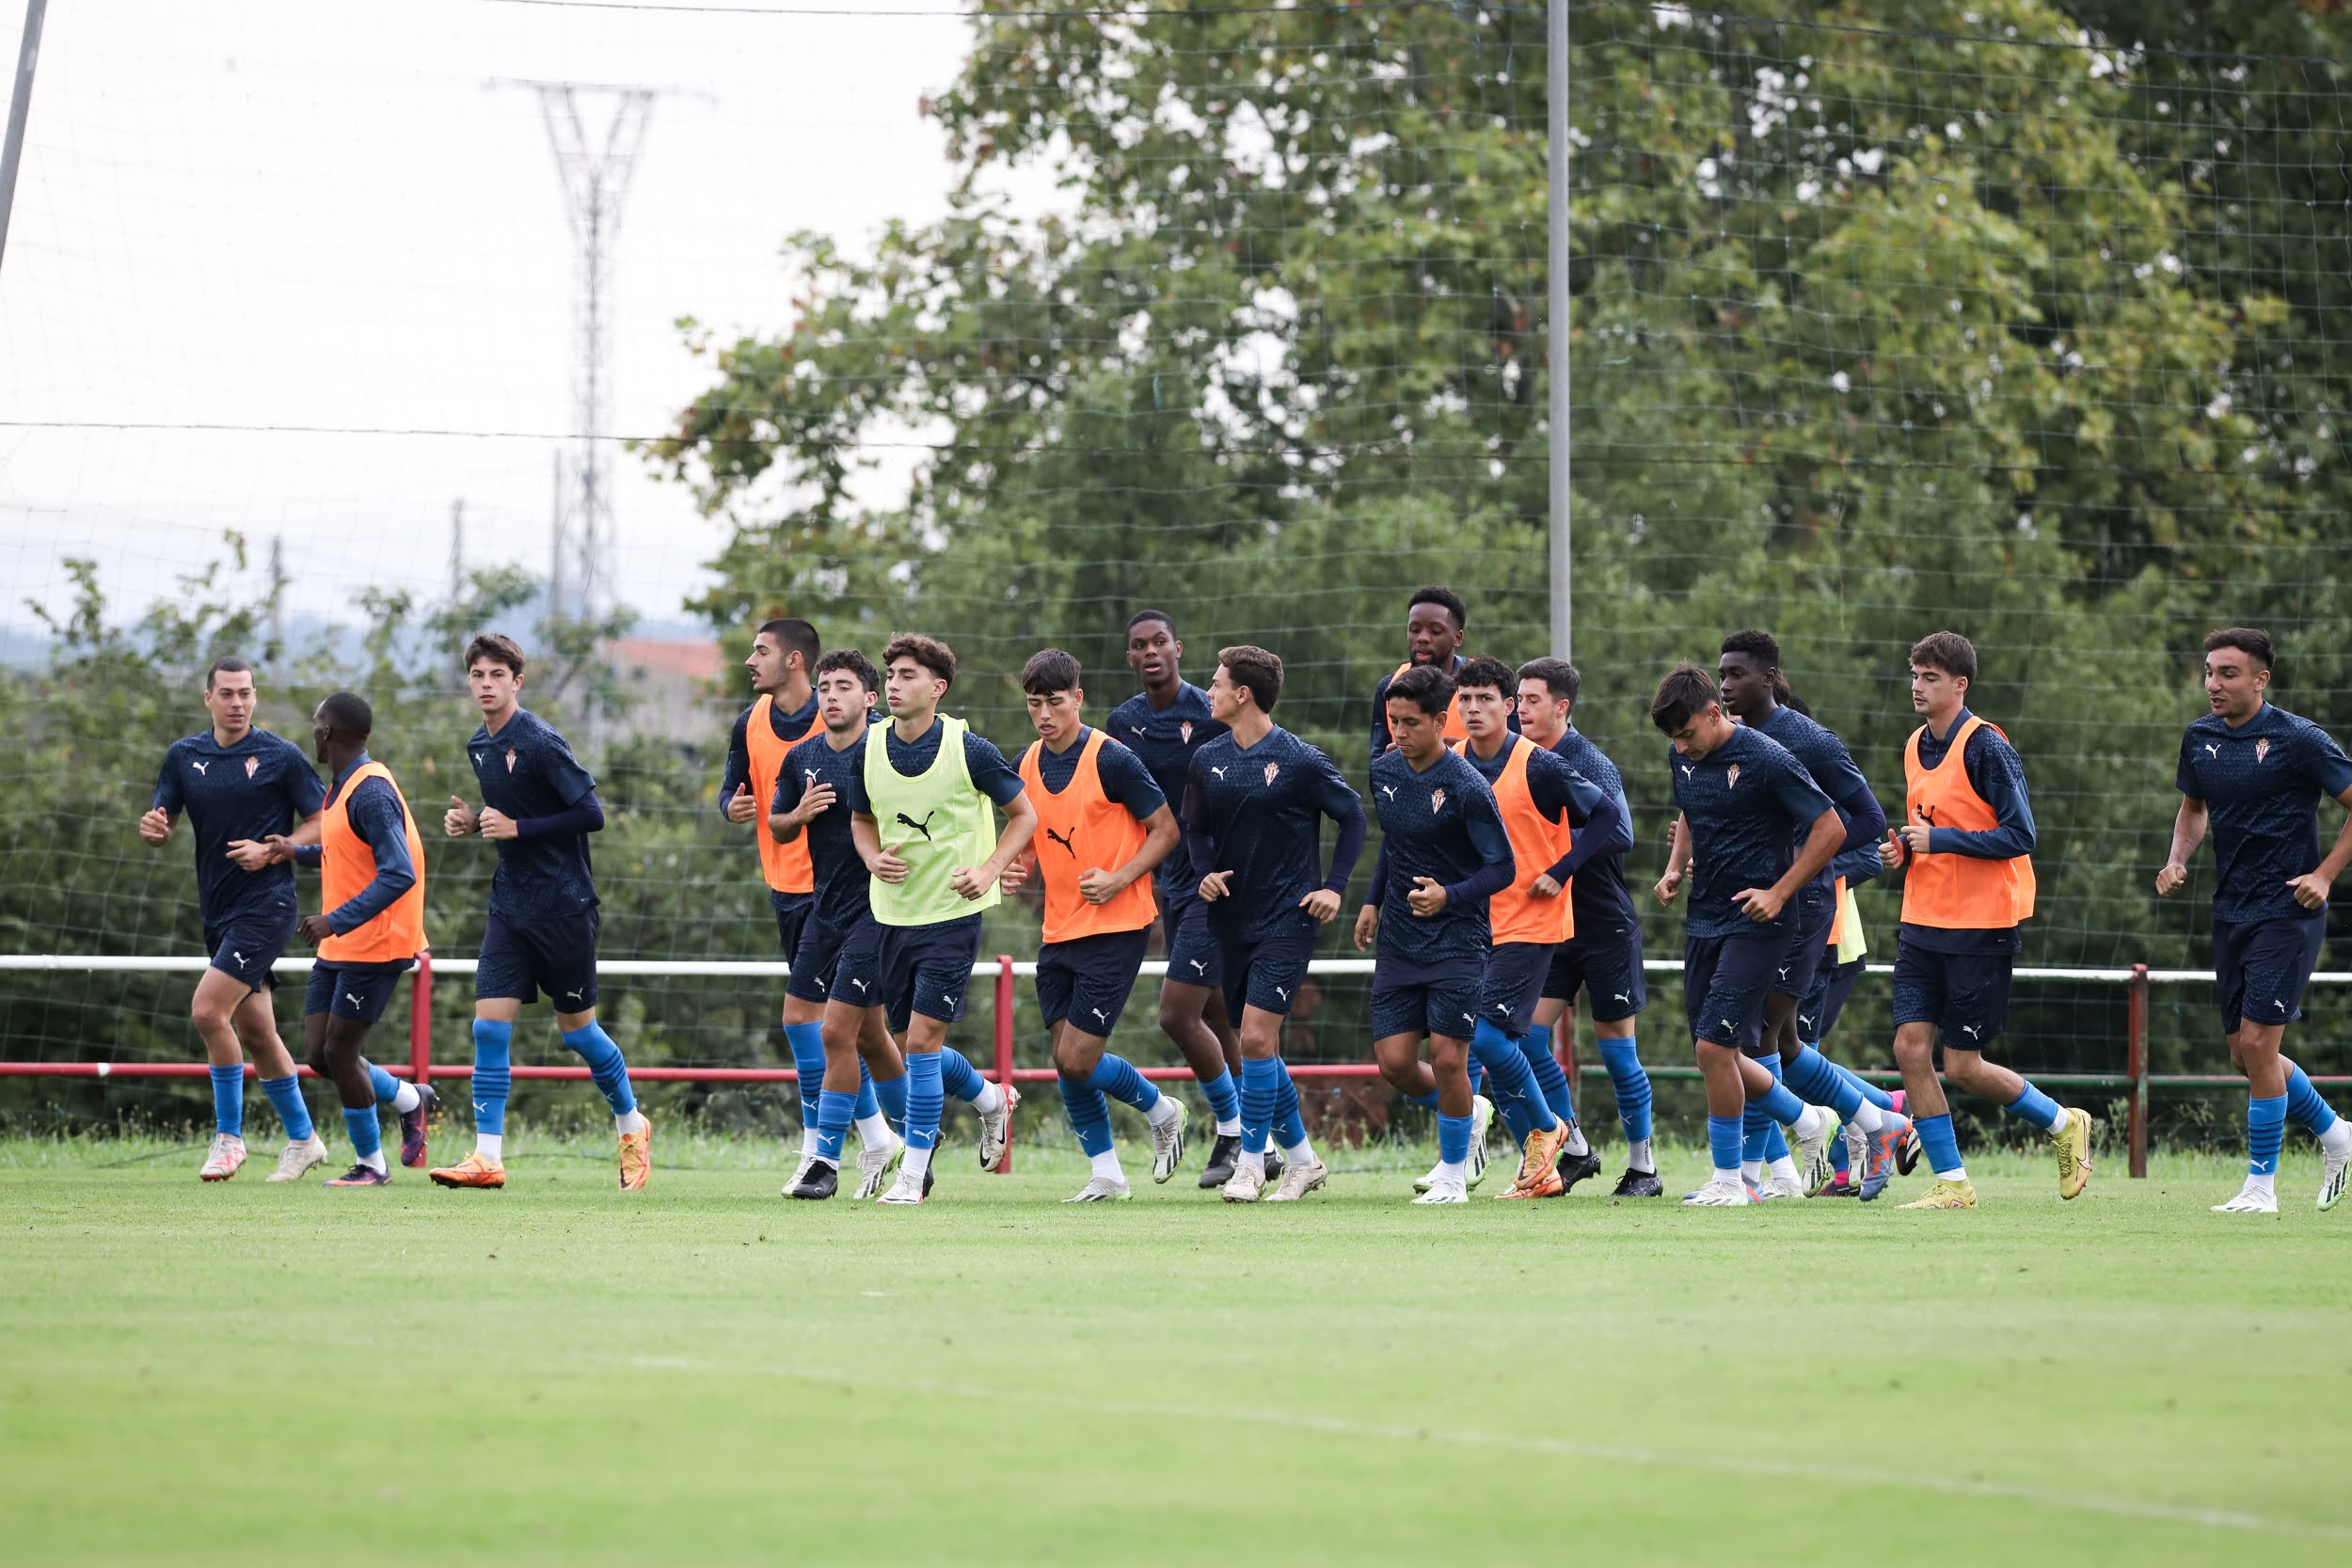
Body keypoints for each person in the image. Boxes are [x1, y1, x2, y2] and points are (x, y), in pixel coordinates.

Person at [1877, 631, 2092, 1211]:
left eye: (1931, 677)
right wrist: (1907, 850)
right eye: (1915, 674)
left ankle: (2062, 1122)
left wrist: (1938, 838)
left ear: (1960, 684)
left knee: (1964, 1066)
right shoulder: (1912, 745)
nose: (1918, 686)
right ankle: (1953, 1183)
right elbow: (1929, 826)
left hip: (1982, 925)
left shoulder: (1986, 746)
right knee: (1909, 1048)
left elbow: (2021, 835)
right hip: (1923, 921)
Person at [430, 634, 650, 1192]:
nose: (485, 684)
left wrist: (515, 828)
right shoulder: (479, 745)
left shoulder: (541, 741)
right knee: (488, 1027)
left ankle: (631, 1125)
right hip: (510, 907)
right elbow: (510, 815)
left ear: (516, 681)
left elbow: (591, 814)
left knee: (578, 1034)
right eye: (477, 675)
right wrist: (475, 820)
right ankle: (487, 1157)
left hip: (564, 908)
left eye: (496, 675)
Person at [2158, 627, 2352, 1214]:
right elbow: (2194, 809)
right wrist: (2176, 858)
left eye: (2229, 674)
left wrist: (2324, 876)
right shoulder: (2200, 737)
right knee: (2244, 1055)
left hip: (2290, 909)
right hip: (2231, 908)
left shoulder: (2299, 739)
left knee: (2259, 1044)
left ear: (2261, 679)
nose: (2214, 684)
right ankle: (2338, 1135)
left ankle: (2261, 1187)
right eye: (2210, 672)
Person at [842, 634, 1036, 1205]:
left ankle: (913, 1176)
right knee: (907, 1047)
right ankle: (991, 1100)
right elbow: (860, 822)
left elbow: (1024, 815)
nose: (895, 686)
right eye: (892, 675)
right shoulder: (868, 748)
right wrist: (872, 856)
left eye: (907, 676)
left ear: (937, 688)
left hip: (952, 915)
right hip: (892, 915)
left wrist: (992, 868)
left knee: (923, 1047)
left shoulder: (968, 747)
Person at [1711, 632, 1904, 1198]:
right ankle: (1877, 1120)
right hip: (1759, 904)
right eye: (1721, 674)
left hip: (1805, 905)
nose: (1725, 685)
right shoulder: (1734, 740)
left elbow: (1867, 820)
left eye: (1737, 674)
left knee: (1753, 1042)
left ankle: (1749, 1176)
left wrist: (1795, 864)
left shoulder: (1809, 740)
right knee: (1781, 1045)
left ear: (1769, 677)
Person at [1649, 663, 1846, 1206]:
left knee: (1716, 1047)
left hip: (1760, 923)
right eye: (1674, 739)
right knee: (1714, 1051)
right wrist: (1673, 868)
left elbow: (1832, 828)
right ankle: (1809, 1121)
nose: (1683, 747)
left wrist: (1780, 892)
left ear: (1716, 713)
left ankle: (1731, 1181)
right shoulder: (1682, 756)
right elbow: (1688, 812)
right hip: (1704, 916)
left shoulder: (1766, 757)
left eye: (1689, 733)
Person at [1003, 649, 1189, 1201]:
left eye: (1054, 703)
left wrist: (1117, 877)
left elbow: (1166, 831)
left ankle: (1162, 1109)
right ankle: (1107, 1174)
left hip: (1118, 923)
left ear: (1077, 699)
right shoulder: (1026, 763)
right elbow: (1031, 831)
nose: (1043, 714)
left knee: (1076, 1056)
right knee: (1067, 1061)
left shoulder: (1113, 759)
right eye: (1034, 704)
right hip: (1059, 927)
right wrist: (1017, 866)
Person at [138, 656, 330, 1182]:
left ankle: (228, 1139)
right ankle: (304, 1139)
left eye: (246, 692)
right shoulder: (184, 756)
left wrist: (276, 851)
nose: (238, 702)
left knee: (205, 1012)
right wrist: (155, 828)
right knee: (257, 1029)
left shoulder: (280, 756)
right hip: (218, 910)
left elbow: (324, 822)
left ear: (255, 696)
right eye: (227, 693)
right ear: (209, 699)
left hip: (268, 906)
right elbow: (162, 820)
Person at [1187, 645, 1367, 1202]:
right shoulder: (1206, 757)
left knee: (1259, 1038)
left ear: (1243, 694)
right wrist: (1204, 874)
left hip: (1289, 919)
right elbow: (1194, 829)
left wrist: (1333, 888)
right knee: (1257, 1047)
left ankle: (1250, 1161)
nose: (1209, 691)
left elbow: (1353, 816)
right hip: (1230, 918)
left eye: (1216, 683)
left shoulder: (1300, 759)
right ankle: (1305, 1162)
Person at [1448, 657, 1626, 1197]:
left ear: (1508, 706)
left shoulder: (1542, 764)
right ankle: (1545, 1161)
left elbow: (1610, 820)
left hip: (1533, 923)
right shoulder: (1452, 761)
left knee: (1488, 1040)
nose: (1474, 708)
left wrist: (1560, 870)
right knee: (1485, 1046)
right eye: (1466, 699)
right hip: (1474, 926)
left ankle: (1553, 1131)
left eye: (1488, 699)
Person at [1352, 663, 1530, 1204]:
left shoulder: (1466, 785)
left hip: (1458, 939)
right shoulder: (1385, 772)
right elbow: (1395, 842)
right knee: (1396, 1063)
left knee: (1452, 1059)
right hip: (1400, 939)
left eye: (1409, 723)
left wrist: (1447, 895)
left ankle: (1453, 1175)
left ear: (1437, 721)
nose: (1398, 734)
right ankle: (1469, 1112)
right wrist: (1371, 900)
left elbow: (1503, 868)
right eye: (1392, 722)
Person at [1107, 610, 1261, 1187]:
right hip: (1166, 881)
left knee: (1178, 1012)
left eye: (1160, 642)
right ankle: (1260, 1137)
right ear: (1129, 657)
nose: (1151, 652)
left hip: (1216, 881)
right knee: (1216, 1012)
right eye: (1139, 645)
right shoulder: (1122, 722)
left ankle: (1232, 1130)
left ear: (1179, 647)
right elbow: (1117, 804)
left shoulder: (1214, 711)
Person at [269, 692, 433, 1186]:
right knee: (319, 1054)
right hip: (342, 945)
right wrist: (293, 853)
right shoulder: (341, 787)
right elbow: (346, 848)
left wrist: (335, 919)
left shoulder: (371, 791)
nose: (313, 731)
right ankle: (410, 1098)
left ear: (331, 734)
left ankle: (372, 1166)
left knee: (341, 1052)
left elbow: (398, 873)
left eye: (317, 723)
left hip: (377, 941)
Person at [766, 649, 910, 1201]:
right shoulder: (802, 756)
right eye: (824, 686)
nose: (831, 695)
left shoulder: (892, 753)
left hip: (879, 912)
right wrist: (796, 815)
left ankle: (822, 1161)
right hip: (823, 911)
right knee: (863, 1035)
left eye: (844, 686)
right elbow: (777, 825)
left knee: (834, 1032)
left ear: (871, 700)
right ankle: (909, 1135)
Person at [1516, 657, 1660, 1196]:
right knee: (1525, 1037)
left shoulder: (1585, 761)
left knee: (1617, 1052)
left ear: (1561, 706)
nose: (1521, 709)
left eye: (1532, 700)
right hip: (1548, 928)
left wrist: (1560, 869)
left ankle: (1645, 1167)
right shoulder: (1516, 758)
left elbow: (1620, 832)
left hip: (1602, 925)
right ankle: (1573, 1146)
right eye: (1519, 699)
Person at [717, 616, 840, 1169]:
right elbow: (731, 788)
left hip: (838, 891)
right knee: (852, 1032)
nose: (750, 659)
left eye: (761, 650)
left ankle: (820, 1150)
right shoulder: (750, 721)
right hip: (784, 889)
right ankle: (896, 1135)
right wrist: (732, 807)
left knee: (807, 1021)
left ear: (794, 660)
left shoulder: (844, 717)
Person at [1369, 585, 1487, 759]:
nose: (1423, 638)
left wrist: (1463, 759)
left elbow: (1511, 754)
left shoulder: (1486, 684)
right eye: (1414, 630)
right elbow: (1377, 759)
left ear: (1458, 637)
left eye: (1435, 631)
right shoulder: (1389, 686)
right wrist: (1392, 764)